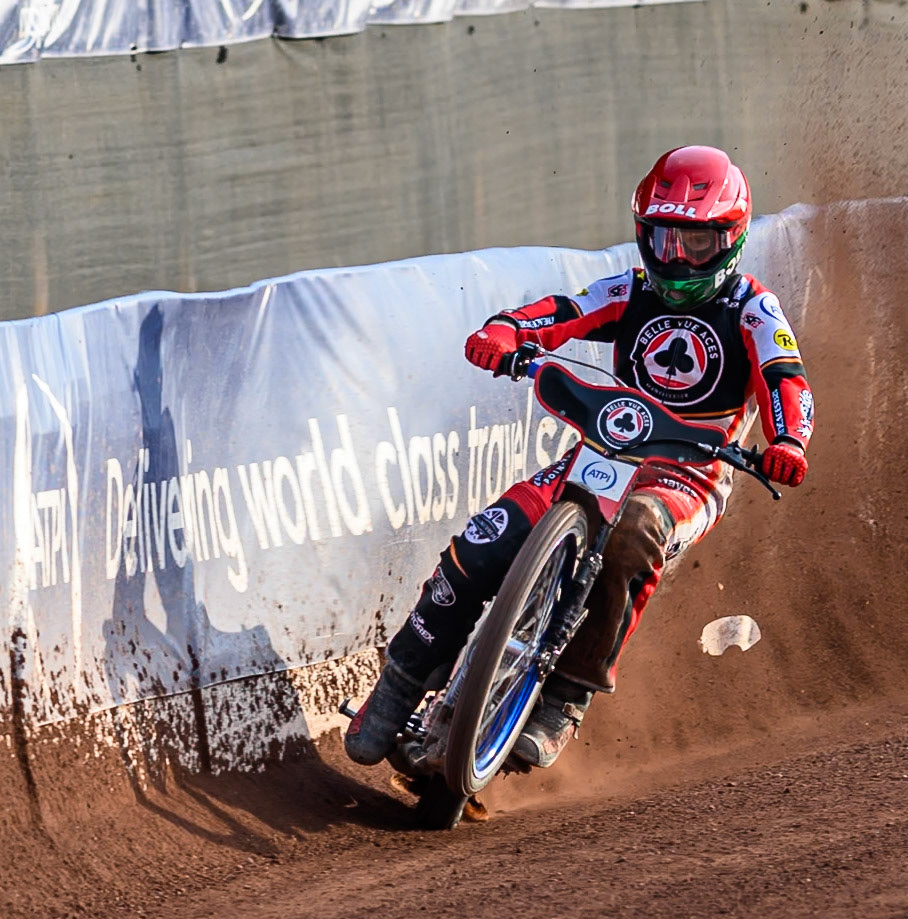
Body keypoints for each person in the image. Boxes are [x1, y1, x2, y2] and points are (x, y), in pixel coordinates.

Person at [345, 145, 815, 770]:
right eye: (664, 238)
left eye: (695, 245)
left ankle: (563, 702)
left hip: (689, 476)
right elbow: (566, 311)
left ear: (730, 240)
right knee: (490, 537)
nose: (676, 258)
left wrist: (787, 441)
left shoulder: (753, 309)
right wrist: (507, 330)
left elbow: (787, 377)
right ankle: (399, 683)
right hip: (600, 453)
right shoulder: (632, 288)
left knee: (635, 533)